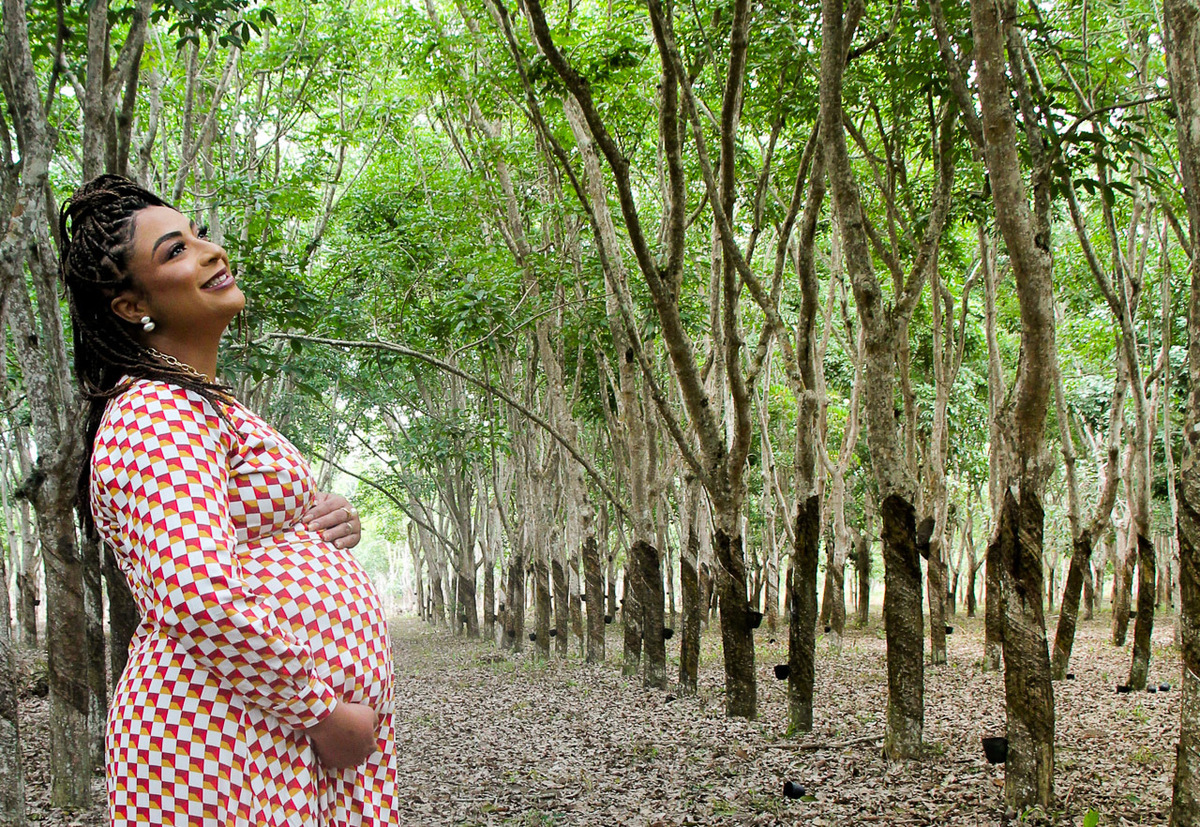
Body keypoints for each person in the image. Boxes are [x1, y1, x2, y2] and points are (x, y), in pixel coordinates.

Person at [61, 174, 399, 826]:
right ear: (132, 307)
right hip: (220, 740)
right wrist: (323, 713)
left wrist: (314, 522)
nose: (209, 251)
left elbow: (227, 528)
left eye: (198, 235)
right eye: (175, 250)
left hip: (257, 734)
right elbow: (194, 590)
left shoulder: (197, 402)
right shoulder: (156, 410)